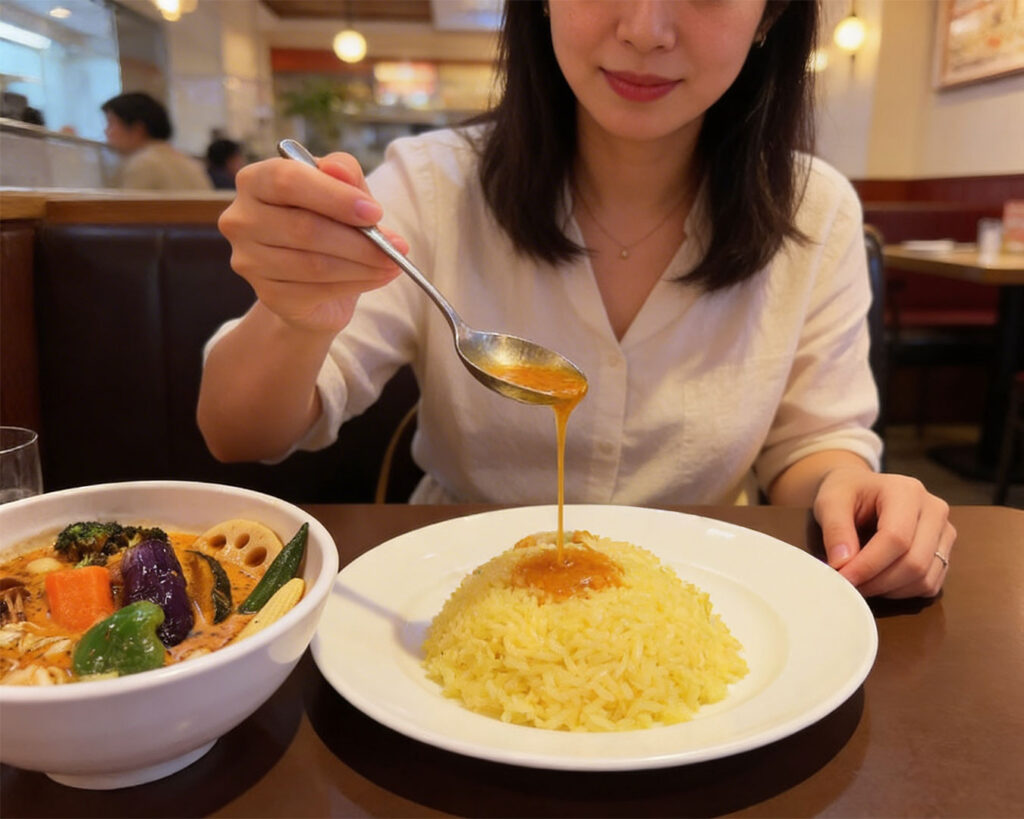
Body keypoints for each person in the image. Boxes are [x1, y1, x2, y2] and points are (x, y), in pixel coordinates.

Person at [198, 1, 955, 599]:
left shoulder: (814, 210)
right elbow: (238, 431)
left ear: (770, 16)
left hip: (704, 595)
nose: (645, 29)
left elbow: (811, 447)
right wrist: (295, 312)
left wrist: (853, 491)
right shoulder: (430, 187)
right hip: (443, 596)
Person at [101, 92, 212, 191]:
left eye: (111, 123)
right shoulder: (186, 161)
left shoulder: (143, 163)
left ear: (138, 129)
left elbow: (129, 212)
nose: (106, 131)